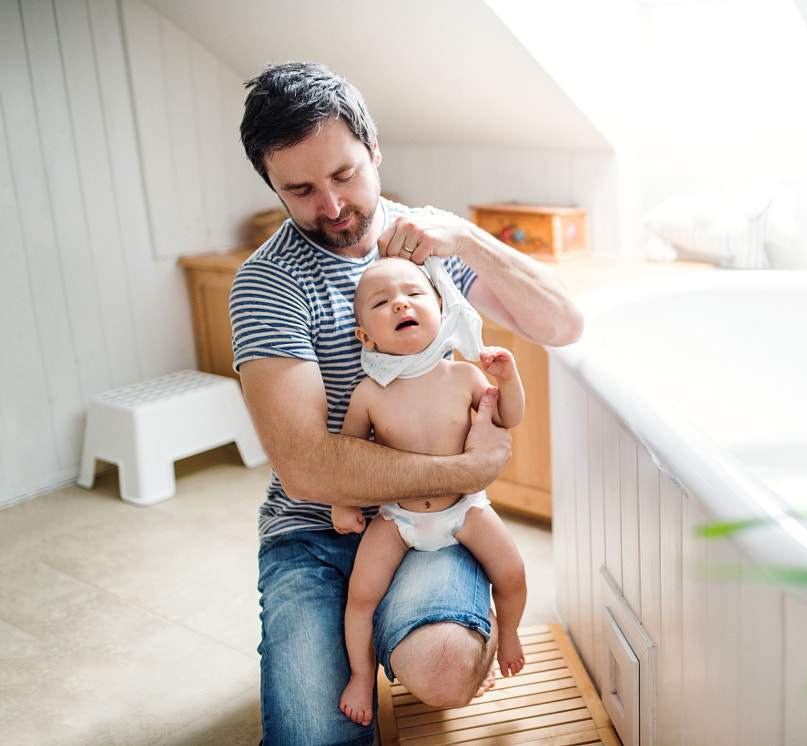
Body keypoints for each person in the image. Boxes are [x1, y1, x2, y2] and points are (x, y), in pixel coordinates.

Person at [231, 61, 583, 745]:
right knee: (313, 735)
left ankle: (432, 626)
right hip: (310, 533)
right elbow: (308, 470)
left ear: (374, 152)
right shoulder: (266, 285)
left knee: (445, 669)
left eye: (344, 175)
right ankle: (361, 635)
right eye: (300, 190)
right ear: (272, 185)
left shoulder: (430, 248)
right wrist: (467, 471)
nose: (331, 207)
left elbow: (564, 325)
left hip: (434, 523)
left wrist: (471, 239)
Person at [331, 256, 527, 726]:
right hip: (397, 520)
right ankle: (361, 675)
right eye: (382, 302)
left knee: (513, 571)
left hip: (464, 511)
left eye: (415, 294)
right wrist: (344, 502)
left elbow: (508, 418)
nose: (400, 301)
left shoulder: (462, 376)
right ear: (365, 336)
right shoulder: (369, 393)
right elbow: (348, 455)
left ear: (441, 309)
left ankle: (511, 633)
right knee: (361, 597)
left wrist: (508, 378)